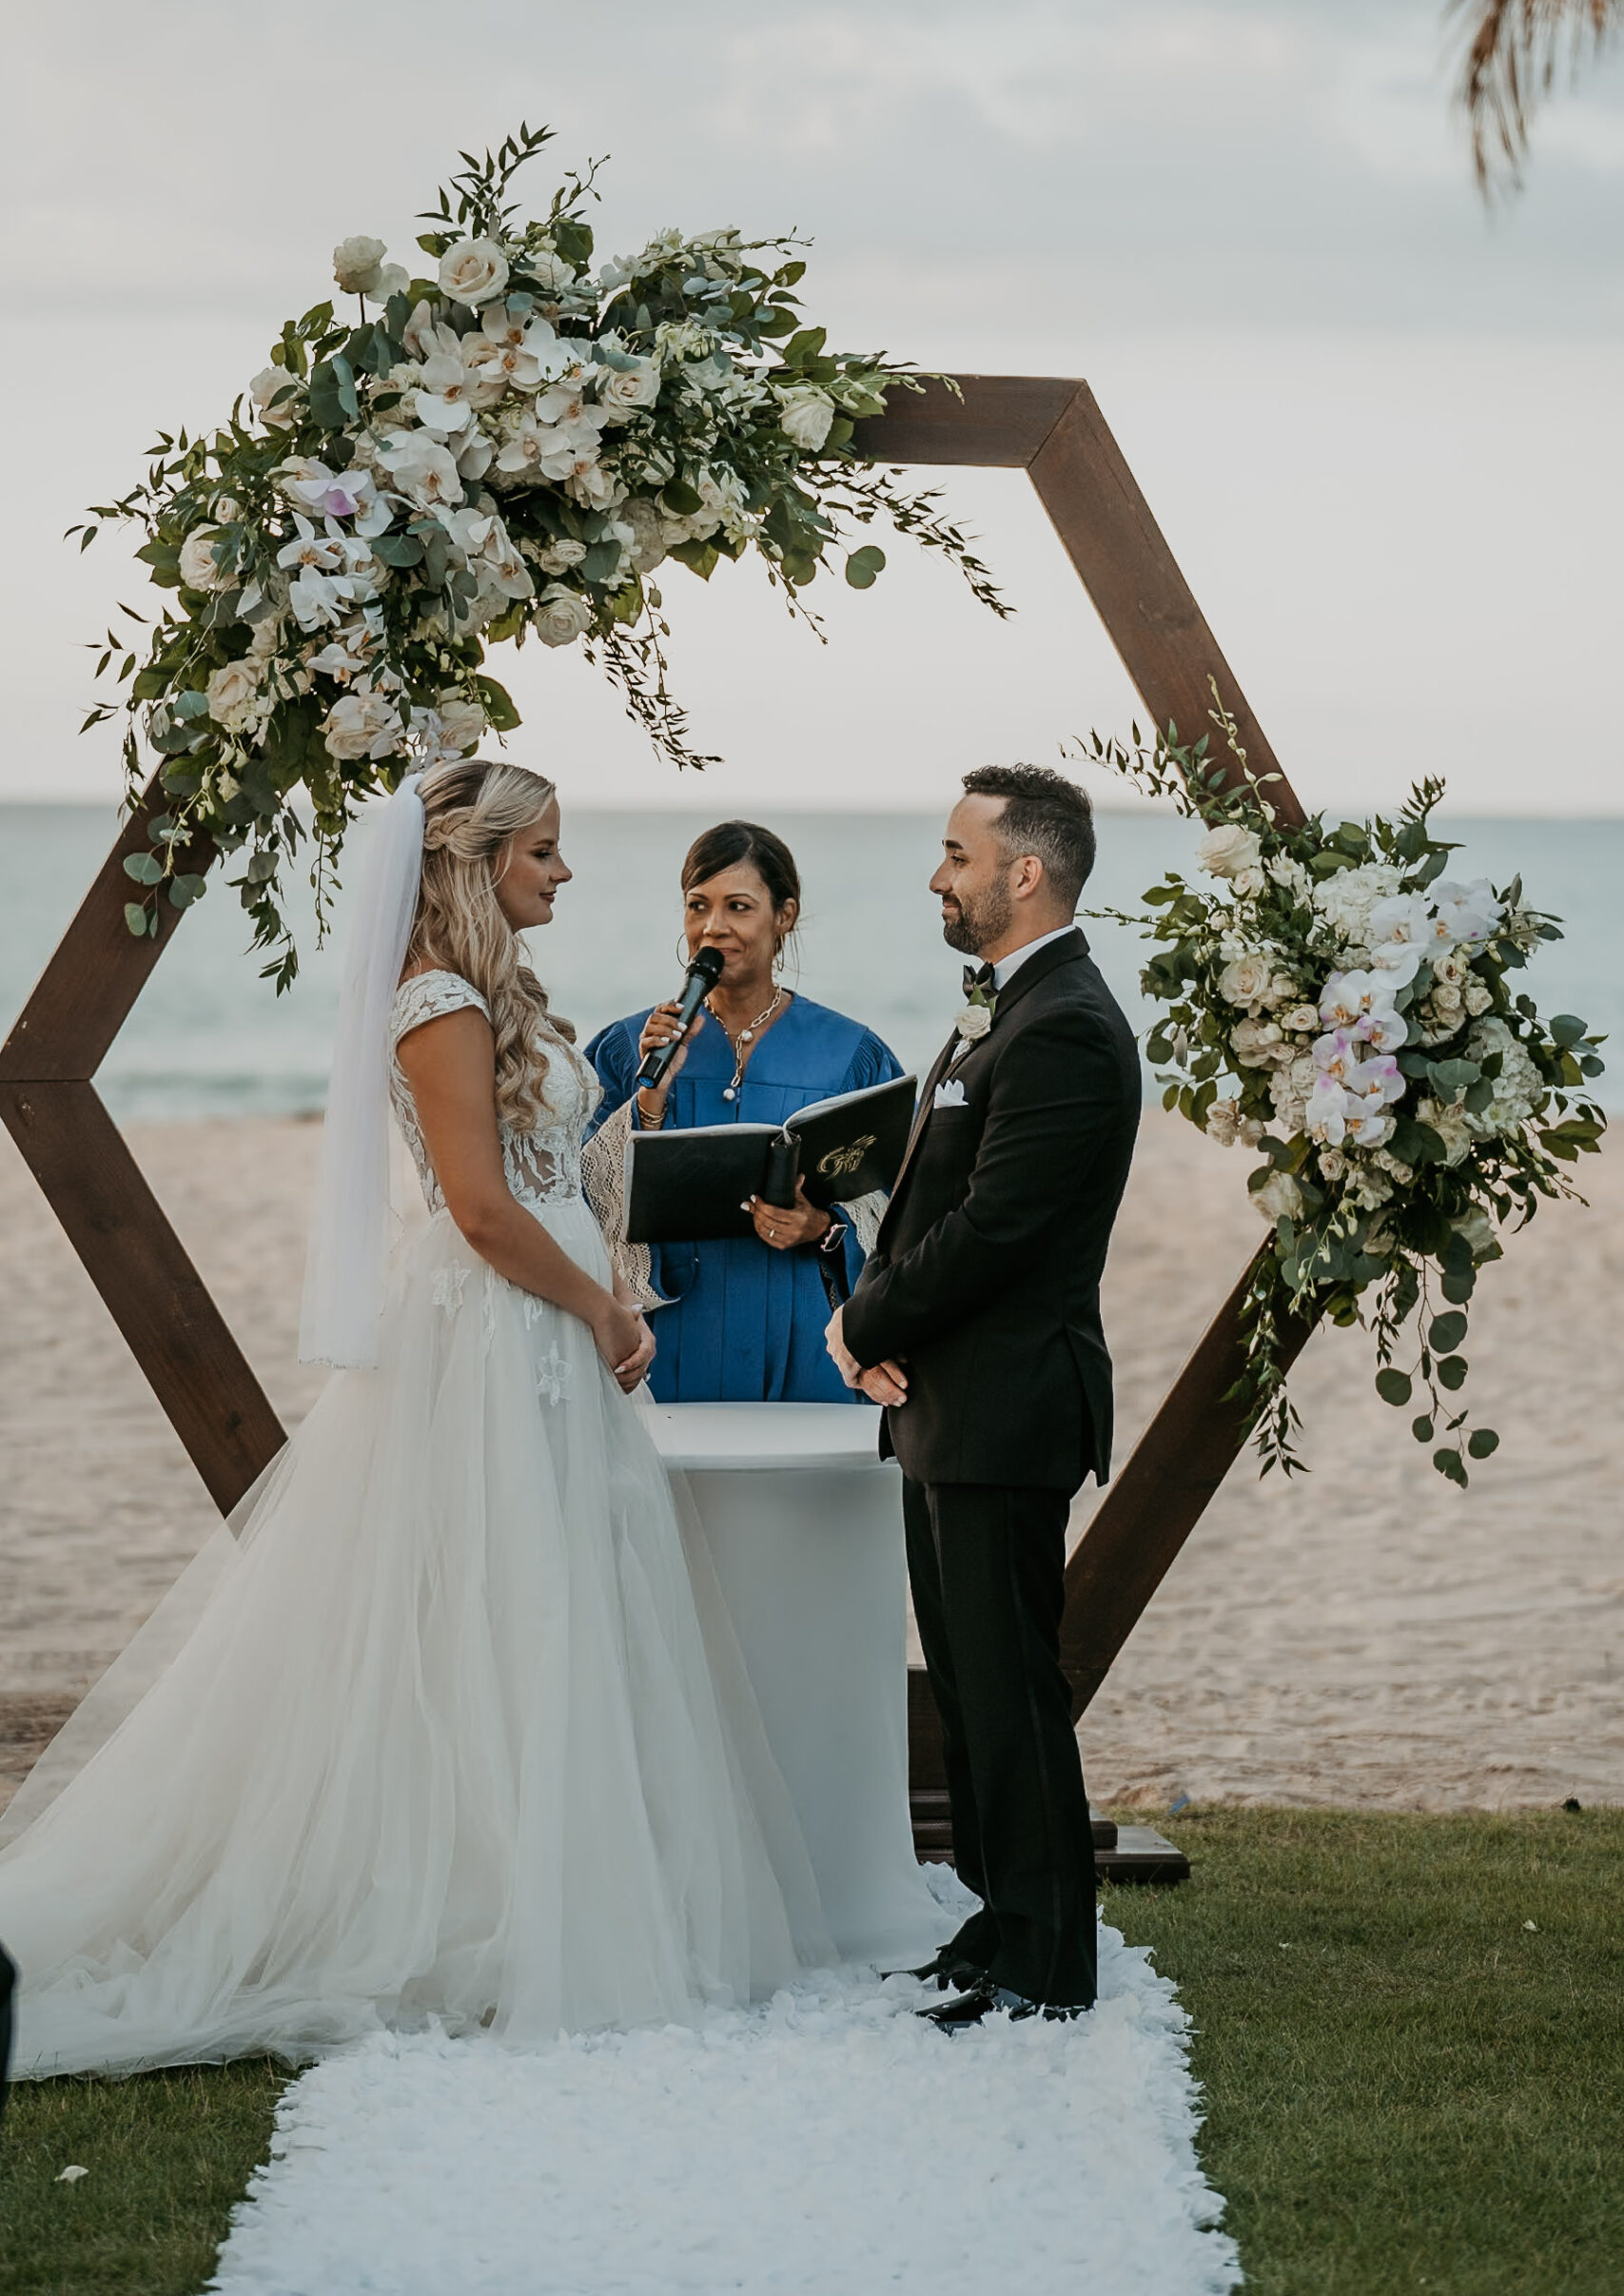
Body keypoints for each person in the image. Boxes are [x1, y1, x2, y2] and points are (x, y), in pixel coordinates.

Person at [0, 759, 829, 2078]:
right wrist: (605, 1316)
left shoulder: (495, 997)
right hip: (505, 1333)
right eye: (542, 851)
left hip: (539, 1321)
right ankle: (481, 1914)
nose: (562, 871)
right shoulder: (437, 1000)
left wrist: (635, 1121)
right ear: (475, 863)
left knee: (552, 1603)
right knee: (508, 1604)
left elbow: (551, 1175)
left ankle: (541, 1889)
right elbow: (481, 1214)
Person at [829, 763, 1141, 2029]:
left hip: (1009, 1408)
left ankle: (1045, 1965)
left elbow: (1000, 1227)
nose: (936, 876)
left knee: (1009, 1693)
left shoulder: (1063, 1022)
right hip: (949, 1407)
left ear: (1022, 873)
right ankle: (1000, 1921)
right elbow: (930, 1202)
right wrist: (883, 1334)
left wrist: (862, 1319)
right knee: (965, 1686)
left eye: (956, 854)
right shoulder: (1003, 1010)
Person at [586, 822, 902, 1402]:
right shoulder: (627, 1047)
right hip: (672, 1338)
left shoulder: (849, 1054)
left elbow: (903, 1206)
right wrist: (650, 1097)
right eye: (697, 906)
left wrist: (825, 1228)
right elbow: (575, 1195)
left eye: (739, 907)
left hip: (808, 1342)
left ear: (783, 916)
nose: (714, 927)